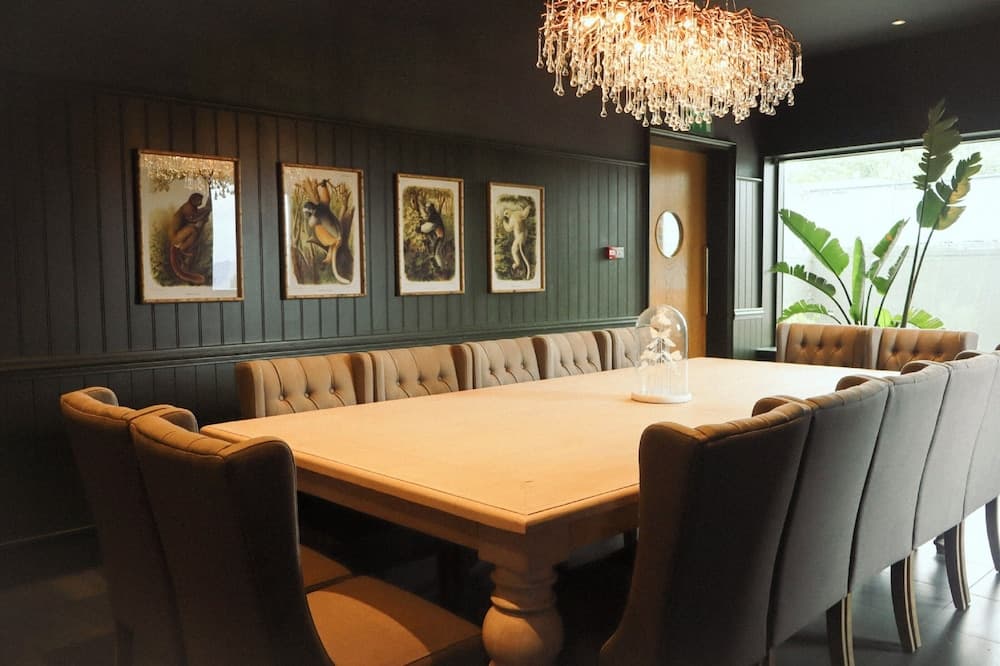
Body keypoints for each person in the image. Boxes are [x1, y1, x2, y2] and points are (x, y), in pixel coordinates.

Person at [167, 192, 212, 285]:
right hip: (175, 238)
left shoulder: (192, 207)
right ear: (193, 200)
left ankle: (190, 274)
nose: (200, 203)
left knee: (193, 230)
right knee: (193, 230)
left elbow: (197, 214)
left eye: (201, 201)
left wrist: (205, 211)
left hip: (179, 235)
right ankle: (183, 248)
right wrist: (205, 211)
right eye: (199, 201)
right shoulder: (187, 207)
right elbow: (193, 219)